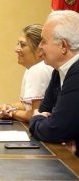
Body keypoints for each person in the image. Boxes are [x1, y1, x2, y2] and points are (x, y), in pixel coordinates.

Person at [29, 10, 79, 156]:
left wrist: (36, 119)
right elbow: (45, 111)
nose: (39, 47)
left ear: (63, 46)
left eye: (43, 41)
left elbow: (54, 129)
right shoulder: (59, 71)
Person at [0, 24, 53, 122]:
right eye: (18, 44)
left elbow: (36, 114)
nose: (16, 49)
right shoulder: (32, 69)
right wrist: (8, 107)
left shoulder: (38, 70)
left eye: (22, 45)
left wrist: (12, 113)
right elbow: (26, 105)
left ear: (39, 49)